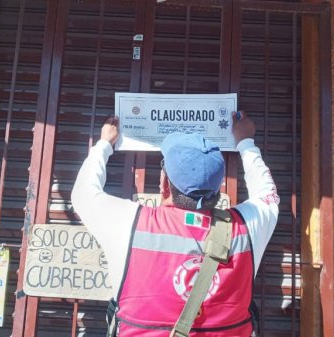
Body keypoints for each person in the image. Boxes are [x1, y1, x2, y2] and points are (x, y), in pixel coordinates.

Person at [71, 111, 279, 337]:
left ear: (164, 185)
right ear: (218, 188)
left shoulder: (129, 224)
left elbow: (83, 193)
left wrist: (105, 143)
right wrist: (246, 142)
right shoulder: (246, 229)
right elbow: (268, 195)